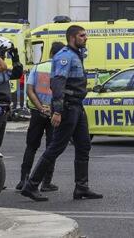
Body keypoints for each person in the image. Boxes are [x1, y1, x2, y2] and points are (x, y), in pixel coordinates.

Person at [22, 25, 103, 202]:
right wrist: (57, 111)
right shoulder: (64, 56)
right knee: (56, 147)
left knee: (84, 145)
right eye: (82, 35)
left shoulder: (76, 54)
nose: (86, 38)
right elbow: (58, 84)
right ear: (72, 37)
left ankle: (81, 187)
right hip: (67, 107)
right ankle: (31, 185)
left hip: (77, 106)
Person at [18, 42, 63, 194]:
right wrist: (51, 109)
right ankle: (46, 182)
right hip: (54, 114)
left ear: (50, 53)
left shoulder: (38, 67)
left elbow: (29, 90)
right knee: (51, 148)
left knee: (31, 146)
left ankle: (24, 180)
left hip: (37, 113)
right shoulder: (62, 70)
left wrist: (40, 107)